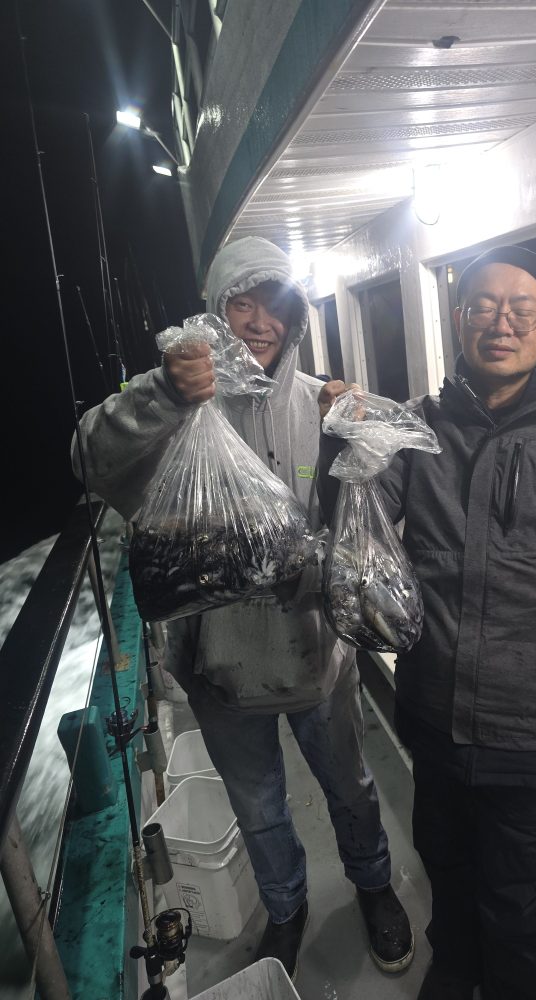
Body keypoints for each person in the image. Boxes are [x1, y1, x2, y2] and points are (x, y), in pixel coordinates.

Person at [317, 245, 536, 1000]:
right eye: (482, 306)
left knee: (522, 904)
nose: (499, 323)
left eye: (521, 310)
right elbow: (354, 541)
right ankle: (454, 970)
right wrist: (341, 442)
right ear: (459, 319)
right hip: (431, 711)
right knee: (446, 867)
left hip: (533, 731)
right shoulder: (413, 428)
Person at [71, 235, 413, 981]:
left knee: (351, 790)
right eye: (241, 303)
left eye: (277, 305)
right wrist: (163, 392)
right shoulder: (172, 404)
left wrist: (363, 437)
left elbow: (375, 524)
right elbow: (88, 455)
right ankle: (285, 913)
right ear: (215, 312)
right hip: (220, 673)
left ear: (295, 317)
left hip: (320, 659)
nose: (261, 322)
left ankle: (375, 886)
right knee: (259, 812)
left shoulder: (324, 404)